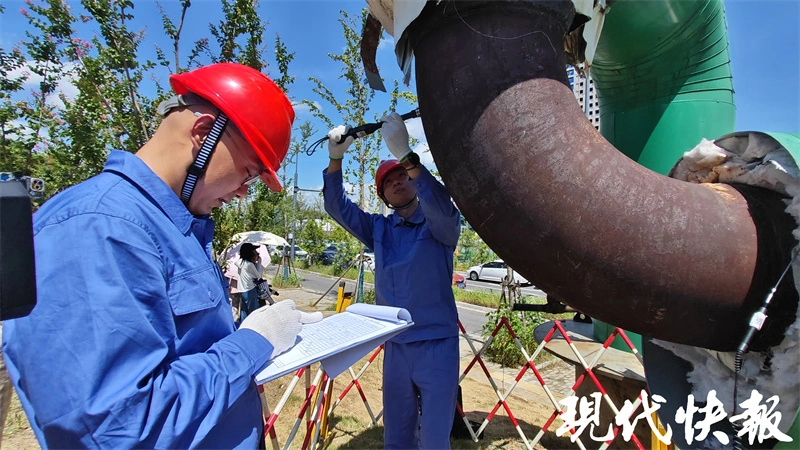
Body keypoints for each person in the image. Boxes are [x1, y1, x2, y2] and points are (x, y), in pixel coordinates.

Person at [1, 62, 322, 448]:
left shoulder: (174, 225)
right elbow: (119, 426)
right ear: (203, 134)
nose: (243, 192)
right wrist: (255, 342)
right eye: (249, 173)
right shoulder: (99, 227)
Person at [323, 112, 461, 449]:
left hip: (437, 345)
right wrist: (335, 160)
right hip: (396, 345)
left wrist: (406, 156)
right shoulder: (379, 230)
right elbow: (337, 207)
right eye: (388, 181)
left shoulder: (438, 225)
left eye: (402, 176)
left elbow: (443, 208)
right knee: (396, 434)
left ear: (415, 181)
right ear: (382, 194)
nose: (397, 181)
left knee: (433, 439)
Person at [238, 243, 265, 320]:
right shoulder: (249, 265)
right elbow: (258, 276)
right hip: (250, 290)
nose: (256, 252)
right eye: (254, 251)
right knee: (254, 313)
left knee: (244, 312)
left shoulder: (240, 262)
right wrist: (259, 261)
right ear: (250, 252)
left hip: (242, 290)